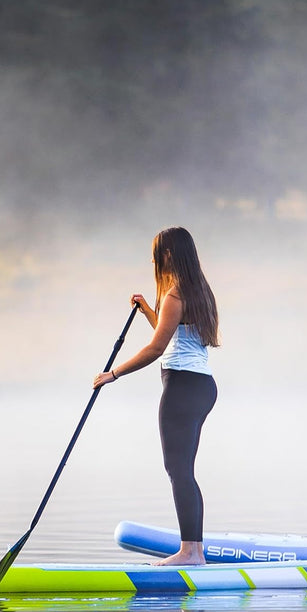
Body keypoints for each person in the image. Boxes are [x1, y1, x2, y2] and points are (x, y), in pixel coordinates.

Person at [93, 226, 219, 565]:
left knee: (178, 470)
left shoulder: (176, 295)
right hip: (203, 387)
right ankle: (194, 550)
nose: (154, 260)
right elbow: (174, 334)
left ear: (168, 255)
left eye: (157, 253)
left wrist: (114, 373)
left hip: (181, 387)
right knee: (184, 470)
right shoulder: (199, 292)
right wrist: (150, 310)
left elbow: (157, 347)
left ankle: (190, 552)